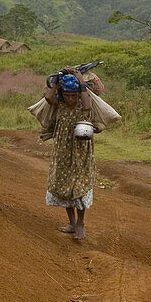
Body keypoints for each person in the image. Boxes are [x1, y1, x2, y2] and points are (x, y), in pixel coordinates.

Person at [43, 70, 96, 240]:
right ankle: (72, 223)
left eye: (74, 96)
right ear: (62, 94)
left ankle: (80, 223)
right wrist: (56, 80)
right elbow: (49, 97)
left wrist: (81, 81)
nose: (71, 99)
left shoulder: (83, 104)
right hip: (63, 150)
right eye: (67, 95)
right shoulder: (60, 104)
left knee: (79, 185)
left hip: (80, 150)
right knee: (65, 184)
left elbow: (87, 106)